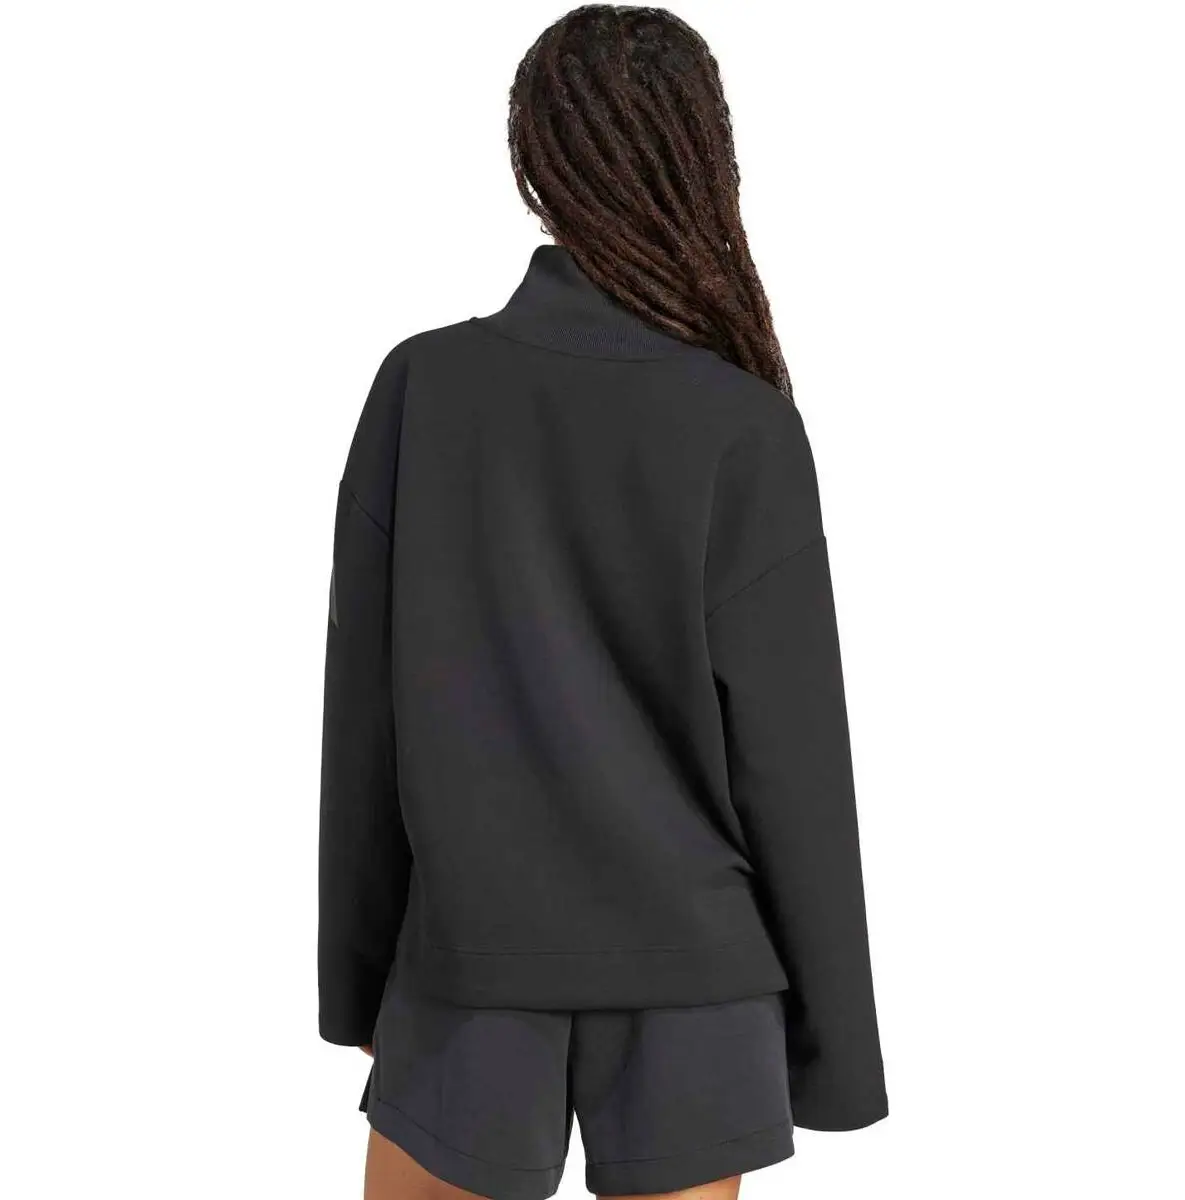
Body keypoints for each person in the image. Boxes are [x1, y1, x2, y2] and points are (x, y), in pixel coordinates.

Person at [319, 7, 887, 1199]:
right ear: (706, 153)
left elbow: (363, 721)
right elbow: (793, 765)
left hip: (467, 964)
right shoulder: (742, 422)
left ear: (532, 154)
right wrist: (835, 1049)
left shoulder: (425, 388)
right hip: (697, 976)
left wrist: (360, 984)